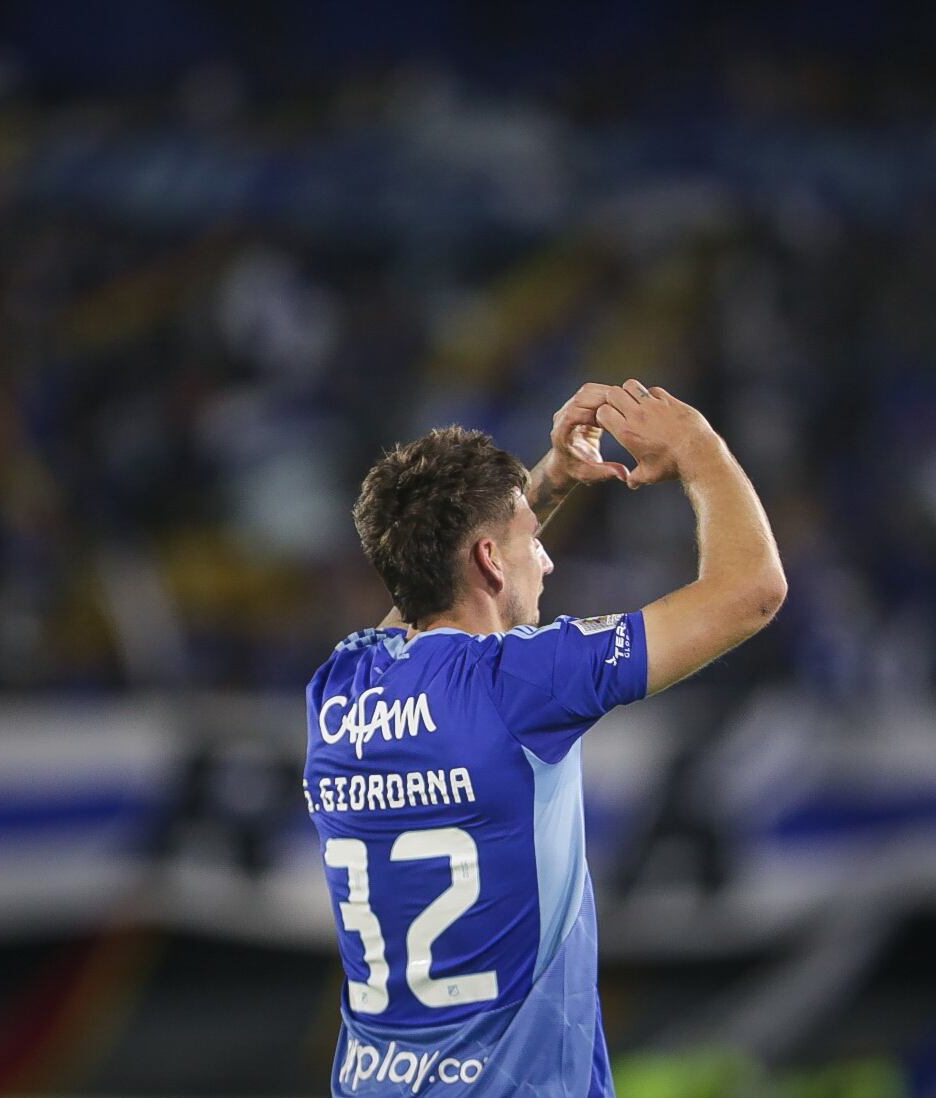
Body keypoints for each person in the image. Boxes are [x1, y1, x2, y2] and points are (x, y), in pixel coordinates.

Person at [304, 380, 786, 1096]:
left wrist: (551, 482)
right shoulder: (523, 683)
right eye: (533, 538)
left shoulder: (339, 687)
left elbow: (424, 594)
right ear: (494, 560)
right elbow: (753, 591)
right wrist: (697, 446)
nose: (548, 558)